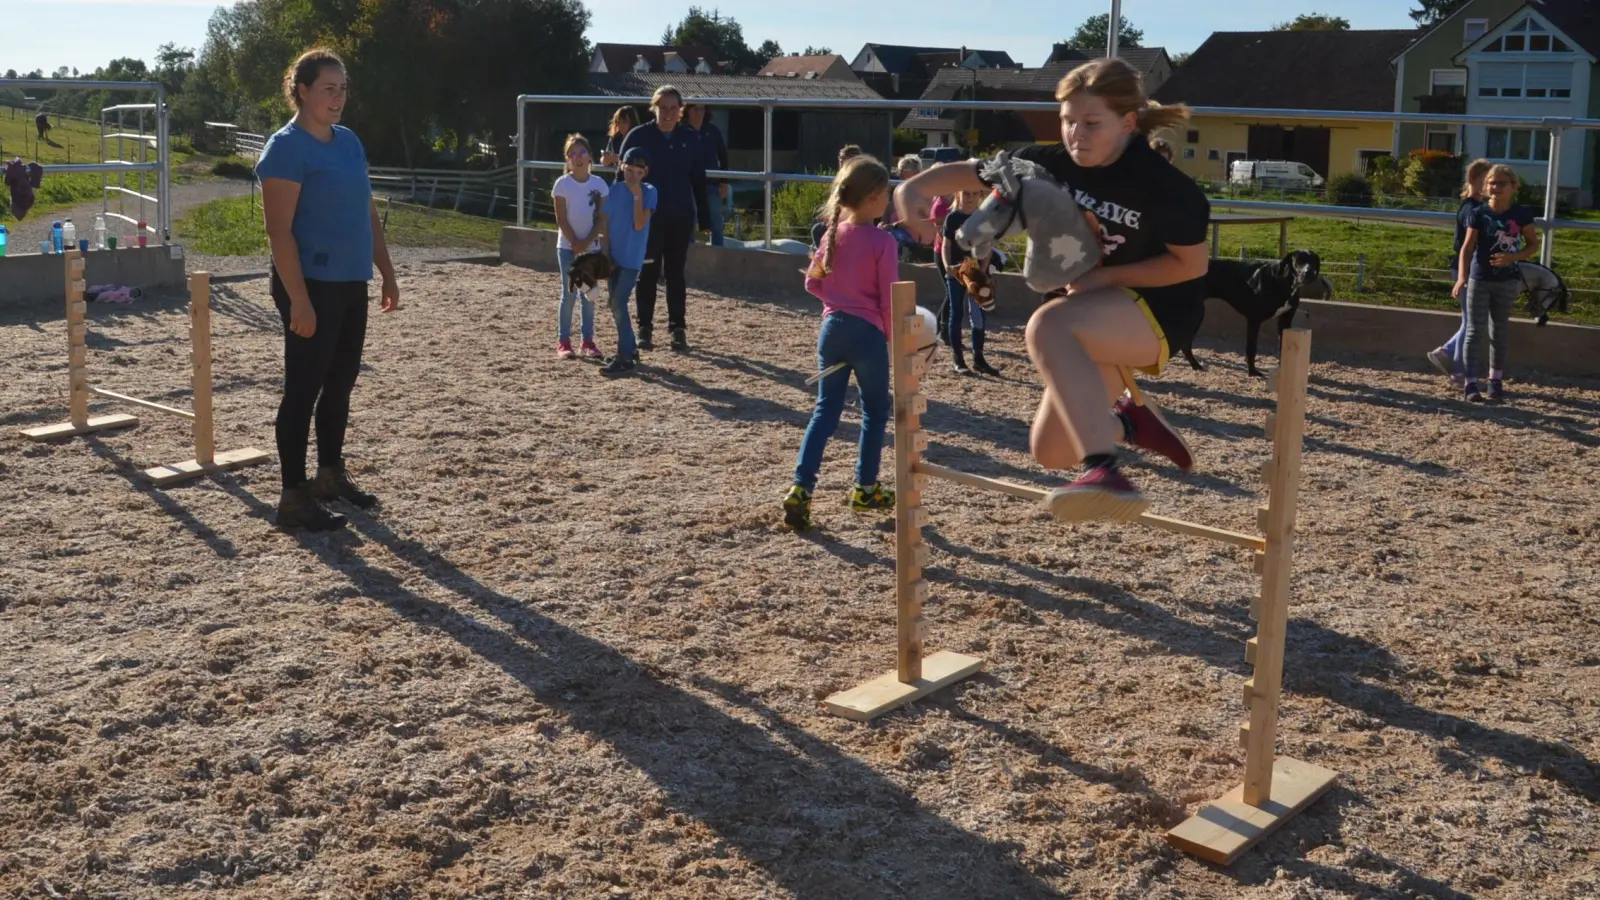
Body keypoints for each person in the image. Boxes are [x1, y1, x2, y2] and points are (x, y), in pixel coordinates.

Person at [895, 58, 1206, 523]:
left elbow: (1190, 265)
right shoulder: (1047, 165)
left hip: (1158, 310)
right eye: (1067, 121)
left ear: (1128, 122)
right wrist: (915, 186)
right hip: (1088, 311)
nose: (1075, 133)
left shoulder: (1167, 187)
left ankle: (1105, 470)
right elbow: (975, 172)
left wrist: (1101, 278)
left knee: (1045, 324)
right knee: (1052, 451)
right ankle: (1128, 423)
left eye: (1090, 123)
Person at [257, 48, 400, 532]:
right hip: (309, 285)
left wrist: (386, 270)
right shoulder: (286, 148)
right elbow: (278, 232)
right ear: (301, 90)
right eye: (328, 88)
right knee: (303, 388)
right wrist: (298, 299)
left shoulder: (349, 142)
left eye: (343, 89)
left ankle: (329, 476)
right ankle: (292, 496)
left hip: (349, 281)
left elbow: (365, 212)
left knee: (340, 383)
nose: (338, 98)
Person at [783, 156, 898, 531]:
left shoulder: (831, 235)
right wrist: (891, 339)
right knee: (875, 412)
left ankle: (801, 488)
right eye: (886, 193)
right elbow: (889, 299)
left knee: (825, 411)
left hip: (831, 330)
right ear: (872, 197)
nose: (889, 200)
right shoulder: (884, 241)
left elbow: (812, 283)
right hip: (867, 335)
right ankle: (865, 487)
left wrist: (840, 300)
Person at [618, 85, 710, 352]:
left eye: (673, 108)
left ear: (681, 110)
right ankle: (644, 327)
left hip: (680, 216)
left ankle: (677, 328)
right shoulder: (638, 136)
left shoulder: (690, 139)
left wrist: (704, 217)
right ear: (654, 108)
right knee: (646, 272)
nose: (668, 113)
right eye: (663, 107)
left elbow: (698, 180)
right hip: (646, 218)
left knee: (675, 273)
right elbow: (620, 178)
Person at [1454, 164, 1539, 403]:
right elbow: (1467, 247)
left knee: (1499, 329)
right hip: (1479, 278)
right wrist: (1462, 277)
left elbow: (1532, 245)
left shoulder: (1521, 214)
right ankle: (1471, 382)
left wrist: (1512, 257)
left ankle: (1495, 379)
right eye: (1491, 182)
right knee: (1473, 329)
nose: (1495, 187)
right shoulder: (1479, 213)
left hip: (1507, 280)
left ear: (1514, 187)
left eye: (1502, 183)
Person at [1428, 159, 1491, 385]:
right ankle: (1456, 366)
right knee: (1473, 321)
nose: (1490, 186)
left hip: (1466, 266)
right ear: (1474, 180)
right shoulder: (1473, 209)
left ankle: (1449, 356)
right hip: (1468, 267)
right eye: (1486, 181)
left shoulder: (1470, 206)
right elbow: (1470, 243)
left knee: (1472, 320)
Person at [597, 147, 657, 376]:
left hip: (632, 259)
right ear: (622, 168)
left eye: (637, 172)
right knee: (615, 303)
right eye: (628, 170)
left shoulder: (650, 192)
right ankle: (630, 349)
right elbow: (606, 225)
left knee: (618, 303)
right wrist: (605, 253)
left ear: (645, 173)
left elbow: (639, 223)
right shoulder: (614, 190)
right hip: (614, 257)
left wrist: (635, 194)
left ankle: (624, 357)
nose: (632, 176)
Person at [550, 134, 608, 359]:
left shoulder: (599, 185)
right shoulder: (562, 184)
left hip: (591, 247)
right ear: (568, 159)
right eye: (572, 154)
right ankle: (564, 341)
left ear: (590, 156)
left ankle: (588, 341)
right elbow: (561, 219)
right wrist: (574, 242)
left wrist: (587, 242)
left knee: (589, 294)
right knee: (570, 294)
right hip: (567, 247)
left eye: (581, 152)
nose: (578, 158)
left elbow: (601, 219)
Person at [941, 188, 1000, 376]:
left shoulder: (984, 218)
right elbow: (946, 244)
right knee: (956, 313)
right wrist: (947, 266)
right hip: (957, 271)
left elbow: (988, 246)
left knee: (978, 314)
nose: (971, 198)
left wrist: (982, 272)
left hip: (975, 272)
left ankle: (978, 358)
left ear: (980, 196)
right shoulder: (952, 218)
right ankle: (958, 358)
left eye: (975, 194)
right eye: (966, 194)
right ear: (958, 195)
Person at [686, 103, 730, 246]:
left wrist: (724, 181)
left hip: (711, 183)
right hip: (688, 184)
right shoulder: (681, 131)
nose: (699, 112)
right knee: (689, 221)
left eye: (702, 109)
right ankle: (688, 253)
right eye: (695, 109)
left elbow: (723, 156)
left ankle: (719, 254)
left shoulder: (712, 131)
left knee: (716, 221)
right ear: (687, 111)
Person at [811, 145, 866, 249]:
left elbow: (855, 206)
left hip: (851, 218)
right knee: (818, 219)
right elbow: (834, 201)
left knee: (818, 230)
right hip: (838, 215)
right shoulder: (840, 178)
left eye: (844, 158)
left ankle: (826, 258)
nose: (841, 161)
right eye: (840, 158)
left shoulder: (858, 180)